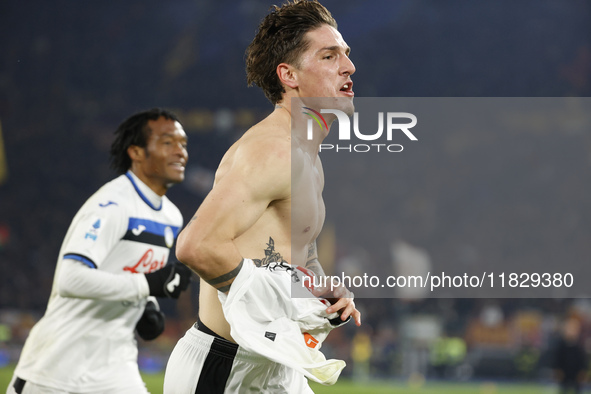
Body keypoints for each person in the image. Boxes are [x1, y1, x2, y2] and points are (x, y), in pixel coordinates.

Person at [163, 1, 361, 392]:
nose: (349, 67)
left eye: (346, 55)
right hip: (226, 369)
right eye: (329, 55)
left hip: (275, 366)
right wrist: (281, 298)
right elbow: (196, 246)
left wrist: (323, 293)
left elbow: (298, 258)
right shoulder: (274, 151)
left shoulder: (307, 154)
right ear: (288, 75)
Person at [8, 108, 193, 394]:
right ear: (136, 152)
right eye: (168, 142)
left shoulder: (171, 217)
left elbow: (129, 272)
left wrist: (149, 306)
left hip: (116, 367)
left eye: (183, 144)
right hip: (56, 370)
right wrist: (147, 285)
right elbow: (70, 279)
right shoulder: (112, 204)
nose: (180, 152)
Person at [553, 317, 588, 394]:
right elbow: (557, 359)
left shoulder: (579, 346)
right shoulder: (561, 346)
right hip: (564, 375)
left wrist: (582, 372)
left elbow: (583, 360)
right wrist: (557, 370)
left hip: (576, 375)